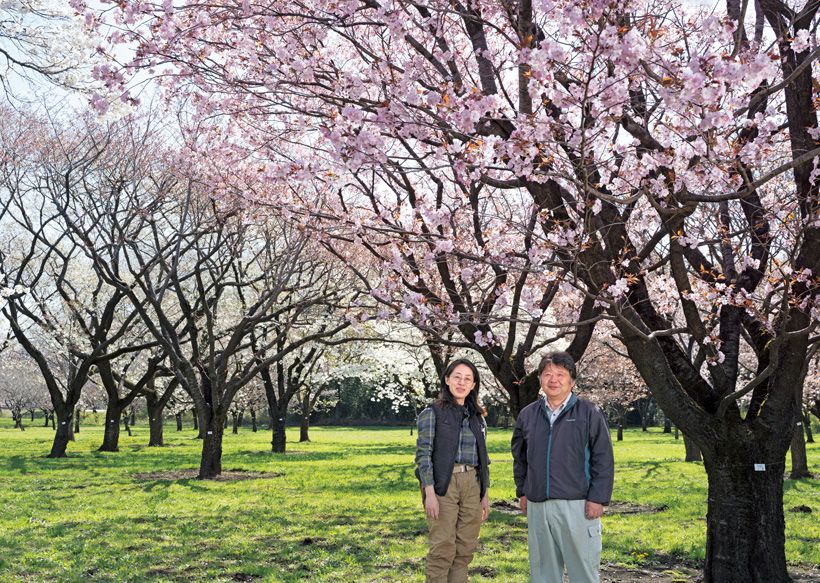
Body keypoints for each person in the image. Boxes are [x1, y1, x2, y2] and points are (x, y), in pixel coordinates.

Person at [511, 351, 614, 583]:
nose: (553, 379)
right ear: (540, 380)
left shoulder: (589, 413)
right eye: (547, 374)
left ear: (572, 381)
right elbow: (520, 459)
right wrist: (524, 491)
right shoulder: (528, 415)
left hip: (577, 505)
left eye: (560, 374)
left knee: (583, 573)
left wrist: (598, 498)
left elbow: (603, 459)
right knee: (543, 573)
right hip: (538, 507)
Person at [415, 358, 491, 583]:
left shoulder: (478, 417)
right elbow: (423, 455)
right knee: (443, 547)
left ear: (473, 384)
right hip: (443, 484)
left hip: (473, 485)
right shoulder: (432, 412)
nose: (462, 382)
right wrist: (429, 493)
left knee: (465, 548)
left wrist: (484, 494)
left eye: (468, 379)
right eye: (457, 377)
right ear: (447, 379)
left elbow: (483, 458)